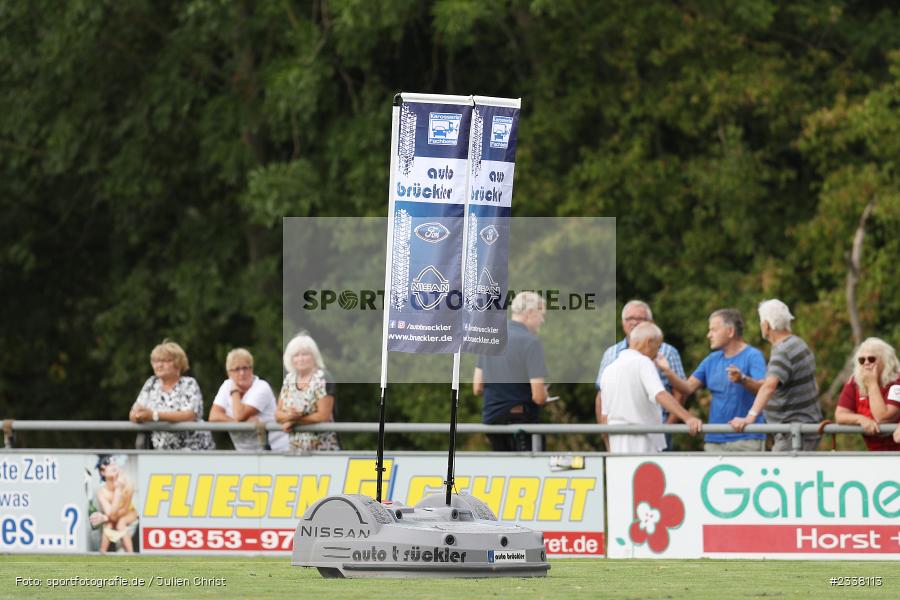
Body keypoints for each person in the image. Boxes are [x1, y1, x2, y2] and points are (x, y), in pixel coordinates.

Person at [657, 309, 767, 451]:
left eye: (713, 330)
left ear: (730, 332)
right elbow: (687, 388)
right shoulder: (711, 359)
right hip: (714, 442)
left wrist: (743, 379)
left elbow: (764, 389)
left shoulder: (753, 356)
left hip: (747, 439)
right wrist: (667, 371)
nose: (709, 335)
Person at [730, 299, 823, 451]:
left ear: (766, 325)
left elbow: (769, 386)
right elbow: (775, 384)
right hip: (803, 429)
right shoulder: (798, 343)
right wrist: (744, 379)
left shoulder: (782, 351)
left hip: (794, 432)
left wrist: (750, 417)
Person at [594, 300, 687, 450]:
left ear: (651, 322)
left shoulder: (668, 352)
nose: (635, 323)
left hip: (632, 435)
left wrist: (667, 427)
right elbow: (659, 394)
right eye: (630, 318)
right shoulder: (630, 358)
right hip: (641, 438)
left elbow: (680, 392)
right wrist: (688, 418)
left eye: (640, 319)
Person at [600, 322, 703, 452]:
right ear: (649, 342)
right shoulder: (643, 362)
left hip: (617, 443)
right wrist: (688, 418)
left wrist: (609, 447)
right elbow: (660, 394)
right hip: (642, 442)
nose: (658, 352)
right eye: (658, 346)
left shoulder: (609, 369)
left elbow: (605, 416)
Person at [473, 291, 548, 452]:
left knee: (503, 473)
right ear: (530, 313)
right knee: (529, 474)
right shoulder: (531, 342)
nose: (541, 320)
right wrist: (544, 394)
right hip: (521, 421)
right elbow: (538, 397)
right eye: (541, 315)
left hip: (492, 421)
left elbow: (477, 386)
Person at [129, 340, 215, 450]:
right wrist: (138, 416)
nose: (158, 365)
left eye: (164, 361)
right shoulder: (151, 383)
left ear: (178, 364)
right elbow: (133, 412)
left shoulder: (188, 384)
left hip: (193, 450)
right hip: (160, 454)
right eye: (155, 361)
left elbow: (190, 415)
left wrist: (154, 416)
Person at [209, 348, 289, 452]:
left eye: (245, 368)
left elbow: (239, 415)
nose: (242, 373)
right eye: (237, 369)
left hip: (276, 450)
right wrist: (238, 424)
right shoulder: (226, 385)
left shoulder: (262, 387)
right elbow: (214, 416)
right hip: (245, 452)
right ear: (229, 373)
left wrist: (234, 392)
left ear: (251, 369)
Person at [276, 333, 340, 452]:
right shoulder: (289, 379)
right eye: (296, 355)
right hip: (295, 449)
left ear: (314, 356)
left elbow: (323, 416)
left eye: (305, 354)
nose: (301, 359)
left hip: (323, 448)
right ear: (290, 358)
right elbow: (278, 414)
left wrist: (294, 421)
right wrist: (291, 417)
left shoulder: (322, 377)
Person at [834, 337, 900, 451]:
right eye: (862, 360)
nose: (866, 363)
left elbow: (882, 418)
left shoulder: (897, 381)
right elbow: (840, 415)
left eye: (871, 359)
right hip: (875, 453)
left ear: (885, 360)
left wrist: (872, 384)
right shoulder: (855, 381)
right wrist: (860, 419)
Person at [89, 455, 138, 554]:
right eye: (107, 463)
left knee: (121, 522)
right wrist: (118, 491)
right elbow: (110, 514)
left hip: (129, 514)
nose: (112, 465)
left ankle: (131, 554)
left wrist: (119, 490)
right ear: (102, 472)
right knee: (109, 525)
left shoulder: (127, 483)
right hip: (112, 518)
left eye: (113, 462)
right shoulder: (101, 492)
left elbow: (124, 510)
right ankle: (102, 553)